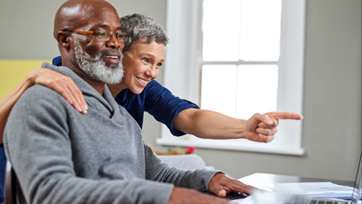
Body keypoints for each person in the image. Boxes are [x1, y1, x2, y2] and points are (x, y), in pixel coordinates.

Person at [4, 0, 256, 203]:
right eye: (101, 33)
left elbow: (155, 172)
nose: (115, 43)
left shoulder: (121, 113)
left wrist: (208, 179)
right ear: (65, 40)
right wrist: (162, 196)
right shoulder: (42, 101)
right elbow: (50, 193)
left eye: (118, 35)